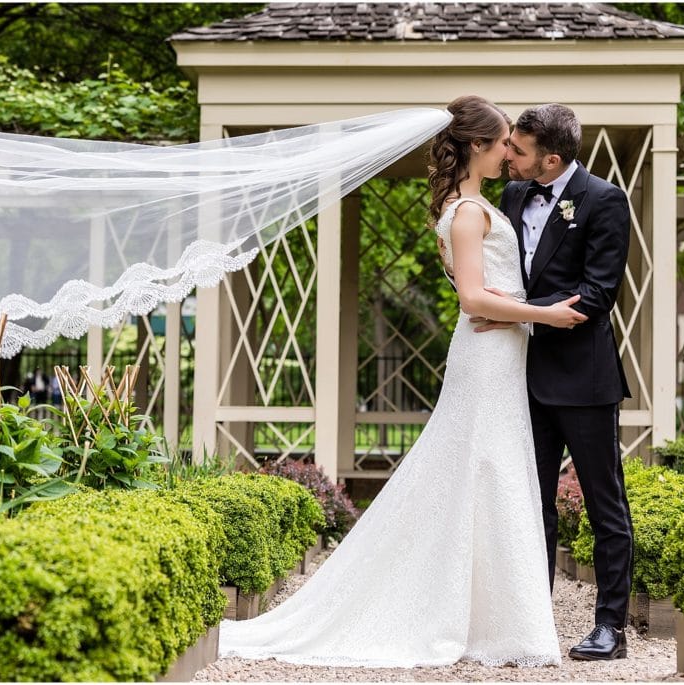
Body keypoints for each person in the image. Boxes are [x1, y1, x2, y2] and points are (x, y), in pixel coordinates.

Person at [217, 95, 586, 668]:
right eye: (503, 143)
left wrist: (515, 309)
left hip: (500, 351)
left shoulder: (474, 205)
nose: (510, 152)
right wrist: (546, 314)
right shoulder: (468, 213)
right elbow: (470, 297)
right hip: (487, 356)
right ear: (476, 147)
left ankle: (492, 618)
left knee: (488, 471)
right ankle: (481, 622)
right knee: (482, 467)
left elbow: (490, 292)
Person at [475, 103, 634, 661]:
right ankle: (533, 624)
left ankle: (610, 628)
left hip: (586, 381)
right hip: (523, 378)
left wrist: (514, 312)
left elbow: (596, 295)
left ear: (553, 159)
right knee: (530, 504)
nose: (507, 156)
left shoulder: (606, 200)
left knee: (603, 504)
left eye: (517, 150)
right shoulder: (514, 196)